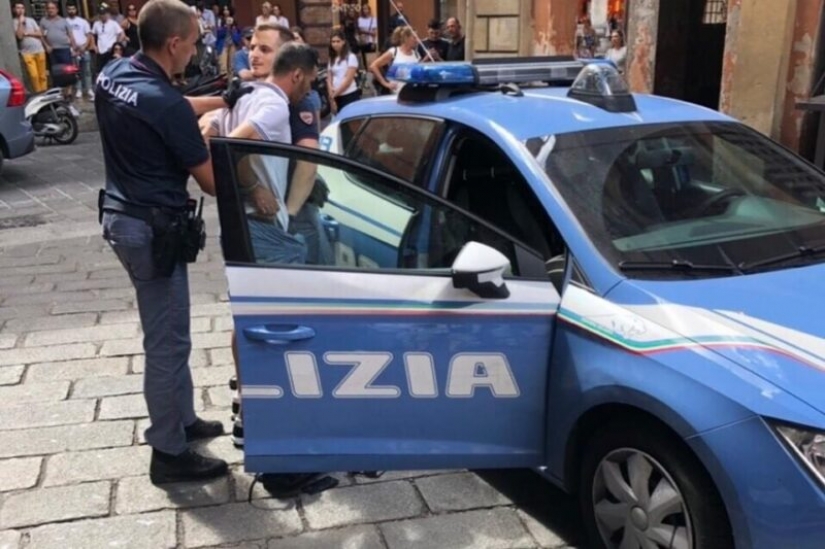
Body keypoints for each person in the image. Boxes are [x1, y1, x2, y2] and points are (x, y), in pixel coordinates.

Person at [95, 0, 251, 485]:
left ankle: (183, 421)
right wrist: (213, 134)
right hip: (151, 229)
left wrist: (220, 102)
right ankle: (168, 452)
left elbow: (170, 105)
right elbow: (208, 181)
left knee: (172, 333)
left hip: (123, 216)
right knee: (166, 342)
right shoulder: (164, 104)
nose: (198, 48)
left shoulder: (115, 73)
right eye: (195, 41)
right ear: (174, 44)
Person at [369, 26, 420, 95]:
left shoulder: (416, 54)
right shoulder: (394, 52)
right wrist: (385, 83)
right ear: (406, 38)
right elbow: (373, 66)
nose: (417, 40)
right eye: (414, 37)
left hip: (413, 93)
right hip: (397, 93)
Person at [40, 0, 78, 94]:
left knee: (68, 70)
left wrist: (74, 48)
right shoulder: (43, 21)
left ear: (57, 9)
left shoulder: (63, 21)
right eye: (48, 8)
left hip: (64, 49)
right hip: (52, 50)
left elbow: (70, 35)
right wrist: (46, 46)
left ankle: (68, 91)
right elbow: (41, 35)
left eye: (52, 8)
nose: (50, 10)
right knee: (56, 72)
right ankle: (59, 91)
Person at [14, 2, 48, 94]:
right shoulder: (14, 22)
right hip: (27, 53)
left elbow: (40, 33)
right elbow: (20, 36)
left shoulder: (31, 20)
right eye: (18, 8)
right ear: (14, 10)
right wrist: (20, 23)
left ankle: (44, 92)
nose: (20, 10)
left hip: (39, 49)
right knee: (33, 75)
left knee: (42, 75)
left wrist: (28, 33)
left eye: (22, 8)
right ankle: (38, 93)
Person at [327, 29, 360, 115]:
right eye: (333, 42)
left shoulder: (351, 57)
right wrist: (331, 95)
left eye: (338, 41)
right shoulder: (332, 58)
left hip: (349, 94)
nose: (335, 44)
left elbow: (348, 80)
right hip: (335, 95)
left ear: (343, 42)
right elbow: (329, 77)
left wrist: (335, 94)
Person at [67, 4, 95, 100]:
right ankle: (78, 89)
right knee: (76, 71)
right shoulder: (65, 22)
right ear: (67, 10)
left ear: (76, 9)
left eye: (73, 8)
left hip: (84, 49)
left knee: (87, 71)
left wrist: (85, 46)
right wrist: (73, 47)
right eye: (69, 9)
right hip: (73, 50)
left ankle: (89, 89)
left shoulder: (83, 22)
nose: (71, 10)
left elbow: (89, 35)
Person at [93, 6, 125, 76]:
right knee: (99, 70)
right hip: (100, 51)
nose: (103, 16)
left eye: (104, 14)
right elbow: (93, 35)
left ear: (107, 14)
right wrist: (94, 46)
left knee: (111, 69)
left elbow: (122, 34)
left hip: (110, 50)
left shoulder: (113, 23)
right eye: (101, 14)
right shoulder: (96, 24)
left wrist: (116, 45)